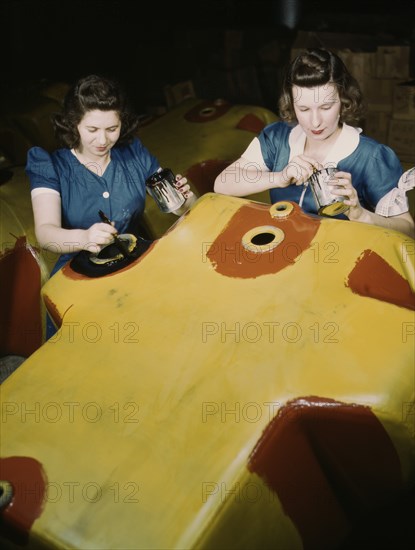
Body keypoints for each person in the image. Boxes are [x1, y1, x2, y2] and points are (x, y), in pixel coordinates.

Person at [26, 74, 195, 338]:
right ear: (73, 124)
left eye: (112, 129)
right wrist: (84, 237)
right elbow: (46, 234)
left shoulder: (133, 152)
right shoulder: (49, 165)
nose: (103, 140)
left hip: (135, 259)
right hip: (80, 274)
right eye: (92, 130)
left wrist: (186, 198)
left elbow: (178, 208)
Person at [214, 48, 414, 238]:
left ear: (344, 99)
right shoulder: (277, 138)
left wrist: (361, 215)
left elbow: (408, 230)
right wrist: (279, 177)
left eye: (326, 107)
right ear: (291, 103)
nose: (315, 122)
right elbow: (222, 184)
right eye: (304, 109)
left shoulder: (372, 157)